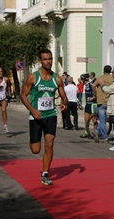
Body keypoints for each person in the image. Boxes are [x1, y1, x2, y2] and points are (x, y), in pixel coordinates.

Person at [20, 48, 68, 185]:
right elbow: (23, 95)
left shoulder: (57, 79)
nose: (48, 61)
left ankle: (45, 173)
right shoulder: (33, 77)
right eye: (45, 59)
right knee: (36, 150)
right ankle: (32, 139)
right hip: (36, 116)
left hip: (50, 114)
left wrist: (64, 104)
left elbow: (64, 97)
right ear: (40, 61)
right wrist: (32, 109)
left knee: (49, 144)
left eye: (50, 58)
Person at [92, 65, 114, 143]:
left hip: (101, 100)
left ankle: (101, 134)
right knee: (105, 120)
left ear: (103, 70)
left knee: (102, 120)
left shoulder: (99, 78)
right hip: (110, 100)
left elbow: (93, 85)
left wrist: (96, 94)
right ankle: (100, 133)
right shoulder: (113, 79)